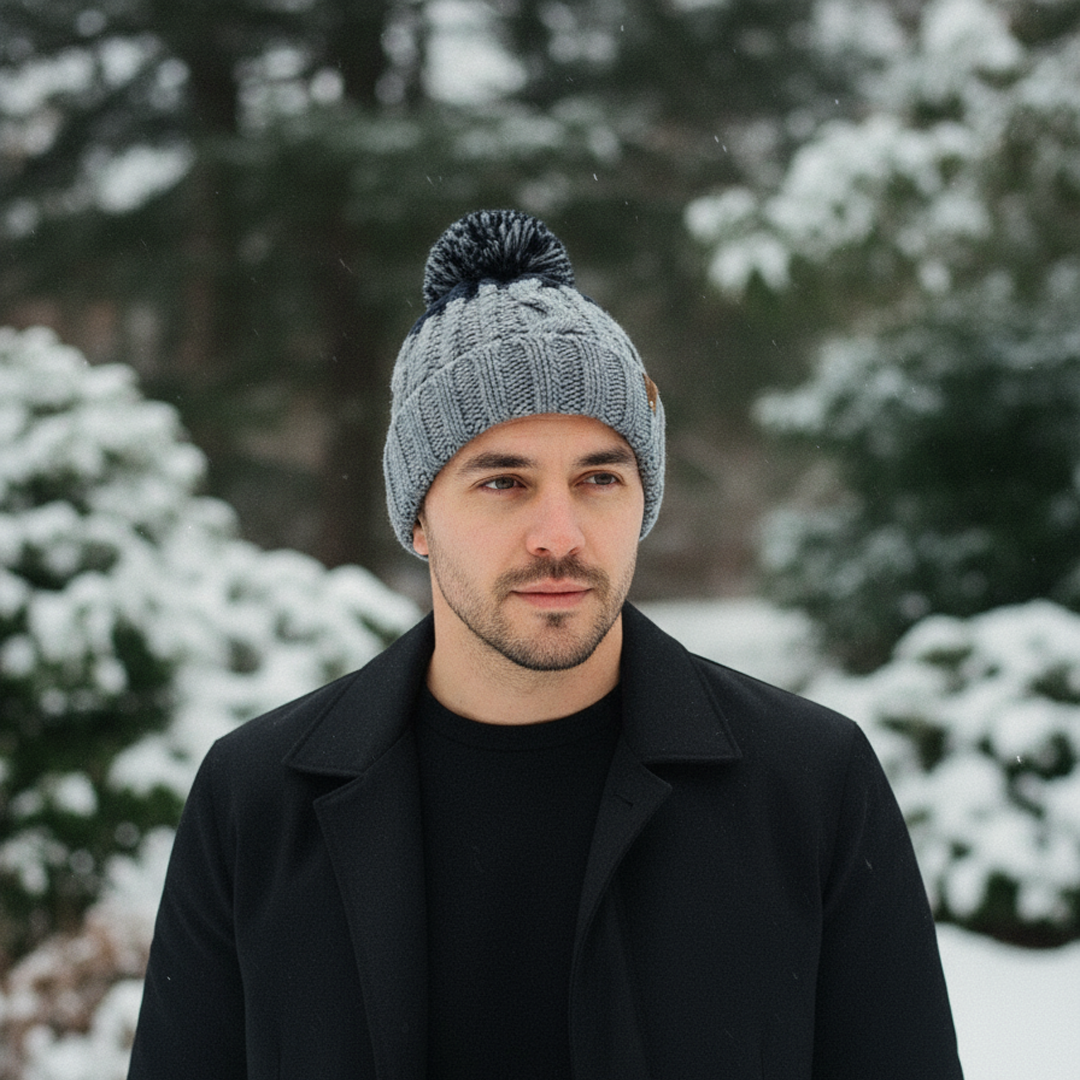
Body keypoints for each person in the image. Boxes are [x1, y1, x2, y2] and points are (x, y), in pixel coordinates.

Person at [128, 209, 963, 1079]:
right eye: (503, 480)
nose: (557, 534)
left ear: (644, 501)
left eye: (600, 477)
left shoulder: (809, 782)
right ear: (417, 517)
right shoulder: (259, 798)